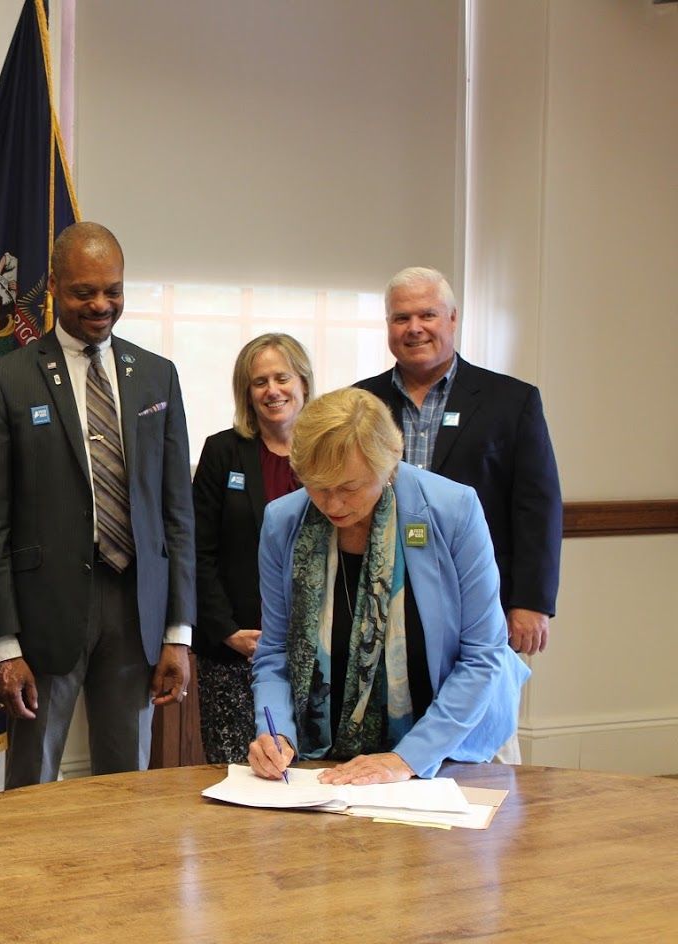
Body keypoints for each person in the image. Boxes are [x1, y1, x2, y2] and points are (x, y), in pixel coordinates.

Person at [0, 221, 195, 788]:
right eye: (83, 291)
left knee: (126, 785)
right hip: (44, 615)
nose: (101, 304)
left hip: (135, 607)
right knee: (33, 781)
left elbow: (177, 515)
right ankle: (26, 880)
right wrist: (3, 646)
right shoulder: (6, 380)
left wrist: (178, 633)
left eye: (112, 290)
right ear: (54, 290)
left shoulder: (157, 378)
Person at [248, 388, 530, 785]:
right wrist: (275, 732)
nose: (332, 504)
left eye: (348, 487)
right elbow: (275, 651)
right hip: (332, 760)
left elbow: (483, 656)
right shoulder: (284, 522)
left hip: (456, 749)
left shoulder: (453, 511)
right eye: (317, 485)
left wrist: (405, 759)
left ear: (388, 465)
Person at [355, 267, 562, 658]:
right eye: (401, 318)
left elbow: (538, 507)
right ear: (388, 326)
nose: (414, 328)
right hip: (380, 597)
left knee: (476, 713)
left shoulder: (512, 402)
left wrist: (531, 601)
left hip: (478, 596)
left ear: (452, 318)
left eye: (427, 315)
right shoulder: (361, 403)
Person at [192, 334, 313, 763]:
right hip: (234, 648)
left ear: (303, 382)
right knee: (236, 773)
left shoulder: (327, 453)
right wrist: (226, 630)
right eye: (259, 381)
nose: (272, 390)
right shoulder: (223, 451)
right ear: (246, 392)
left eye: (282, 377)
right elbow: (197, 551)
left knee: (306, 775)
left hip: (313, 653)